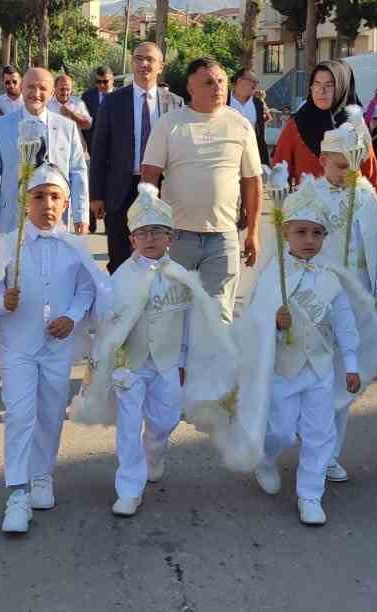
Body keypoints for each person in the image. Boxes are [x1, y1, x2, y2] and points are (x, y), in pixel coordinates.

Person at [197, 178, 362, 527]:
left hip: (318, 368)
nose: (309, 241)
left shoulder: (332, 277)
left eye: (316, 234)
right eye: (301, 232)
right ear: (286, 233)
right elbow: (254, 320)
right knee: (282, 431)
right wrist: (273, 321)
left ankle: (310, 495)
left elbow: (345, 322)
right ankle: (266, 457)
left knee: (319, 433)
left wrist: (350, 364)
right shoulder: (274, 274)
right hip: (283, 369)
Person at [71, 184, 236, 517]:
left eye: (157, 233)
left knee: (166, 418)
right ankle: (129, 487)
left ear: (170, 238)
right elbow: (110, 324)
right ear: (132, 239)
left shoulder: (180, 277)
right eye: (142, 233)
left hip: (167, 362)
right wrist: (115, 364)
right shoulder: (120, 278)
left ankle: (155, 450)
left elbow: (191, 322)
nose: (150, 239)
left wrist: (187, 360)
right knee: (129, 425)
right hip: (130, 365)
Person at [0, 163, 112, 535]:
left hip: (57, 347)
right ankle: (16, 491)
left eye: (55, 197)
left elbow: (86, 288)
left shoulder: (73, 247)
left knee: (50, 411)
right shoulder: (8, 246)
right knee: (19, 415)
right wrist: (3, 301)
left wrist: (73, 316)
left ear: (65, 203)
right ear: (24, 202)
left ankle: (42, 474)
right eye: (38, 196)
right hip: (18, 346)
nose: (47, 204)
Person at [307, 111, 377, 484]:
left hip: (355, 298)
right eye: (340, 166)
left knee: (345, 377)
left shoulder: (365, 195)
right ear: (323, 161)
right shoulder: (308, 196)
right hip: (317, 300)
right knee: (314, 377)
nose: (347, 174)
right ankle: (307, 439)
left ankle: (329, 453)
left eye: (353, 166)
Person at [141, 59, 263, 318]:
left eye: (221, 81)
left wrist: (253, 232)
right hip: (177, 237)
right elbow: (149, 176)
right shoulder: (169, 124)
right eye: (208, 82)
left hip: (223, 238)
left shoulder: (240, 125)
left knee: (218, 318)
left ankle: (213, 360)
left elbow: (252, 182)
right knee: (172, 315)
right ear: (191, 88)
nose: (217, 87)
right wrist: (150, 228)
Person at [88, 42, 183, 271]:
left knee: (161, 255)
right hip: (121, 188)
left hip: (162, 188)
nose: (144, 64)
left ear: (161, 66)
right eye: (139, 58)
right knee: (121, 256)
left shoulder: (175, 103)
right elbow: (99, 150)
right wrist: (96, 195)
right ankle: (120, 304)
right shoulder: (113, 101)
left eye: (150, 59)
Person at [0, 67, 88, 237]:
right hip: (13, 221)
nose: (36, 93)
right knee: (16, 264)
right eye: (30, 87)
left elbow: (78, 173)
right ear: (22, 87)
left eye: (43, 88)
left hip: (55, 220)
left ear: (52, 92)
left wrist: (81, 215)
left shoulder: (67, 127)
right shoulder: (0, 126)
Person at [271, 60, 377, 195]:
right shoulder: (296, 125)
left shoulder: (356, 127)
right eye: (316, 85)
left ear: (342, 88)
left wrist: (376, 211)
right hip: (307, 211)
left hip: (351, 211)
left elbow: (371, 178)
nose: (322, 91)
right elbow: (279, 172)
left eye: (329, 85)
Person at [228, 67, 271, 166]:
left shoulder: (258, 104)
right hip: (227, 155)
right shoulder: (224, 100)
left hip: (250, 156)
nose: (255, 84)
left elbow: (260, 134)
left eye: (256, 81)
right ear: (239, 80)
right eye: (252, 80)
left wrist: (264, 162)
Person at [79, 66, 113, 154]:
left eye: (105, 82)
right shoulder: (87, 96)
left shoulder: (121, 96)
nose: (101, 85)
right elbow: (84, 120)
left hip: (115, 146)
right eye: (98, 82)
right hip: (94, 147)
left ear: (112, 80)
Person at [53, 72, 92, 137]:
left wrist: (71, 114)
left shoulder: (78, 103)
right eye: (62, 89)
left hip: (74, 145)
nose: (65, 92)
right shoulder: (47, 104)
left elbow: (88, 125)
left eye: (68, 89)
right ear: (55, 88)